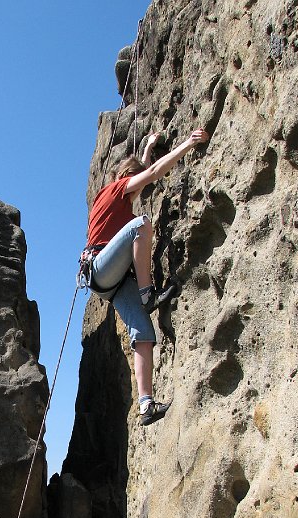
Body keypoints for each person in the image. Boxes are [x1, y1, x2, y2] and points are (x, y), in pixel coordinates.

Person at [82, 128, 210, 426]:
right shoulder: (114, 189)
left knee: (143, 333)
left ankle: (146, 405)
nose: (136, 186)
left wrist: (149, 147)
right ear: (123, 177)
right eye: (132, 178)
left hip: (111, 282)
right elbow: (150, 174)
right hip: (101, 267)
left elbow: (144, 173)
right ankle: (147, 293)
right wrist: (188, 144)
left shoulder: (117, 201)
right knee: (141, 224)